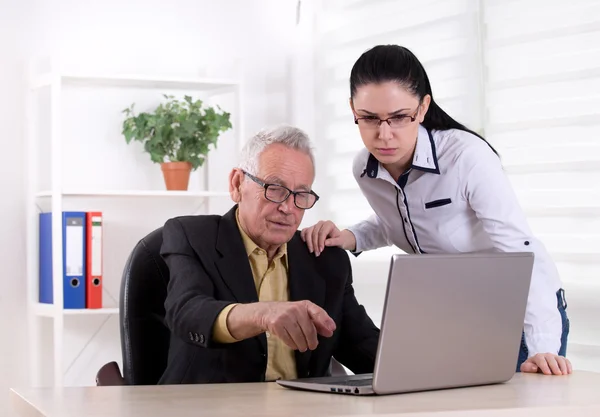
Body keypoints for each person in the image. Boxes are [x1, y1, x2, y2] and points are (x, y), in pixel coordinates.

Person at [301, 44, 572, 376]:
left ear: (423, 107)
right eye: (369, 118)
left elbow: (520, 251)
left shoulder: (466, 158)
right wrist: (351, 236)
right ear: (352, 109)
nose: (384, 134)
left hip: (517, 310)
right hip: (453, 312)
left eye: (399, 117)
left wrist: (543, 346)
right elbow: (399, 220)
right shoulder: (364, 169)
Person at [158, 125, 379, 384]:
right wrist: (264, 314)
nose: (288, 208)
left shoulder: (324, 259)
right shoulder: (192, 236)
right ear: (237, 184)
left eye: (301, 194)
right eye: (275, 188)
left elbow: (365, 348)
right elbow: (187, 312)